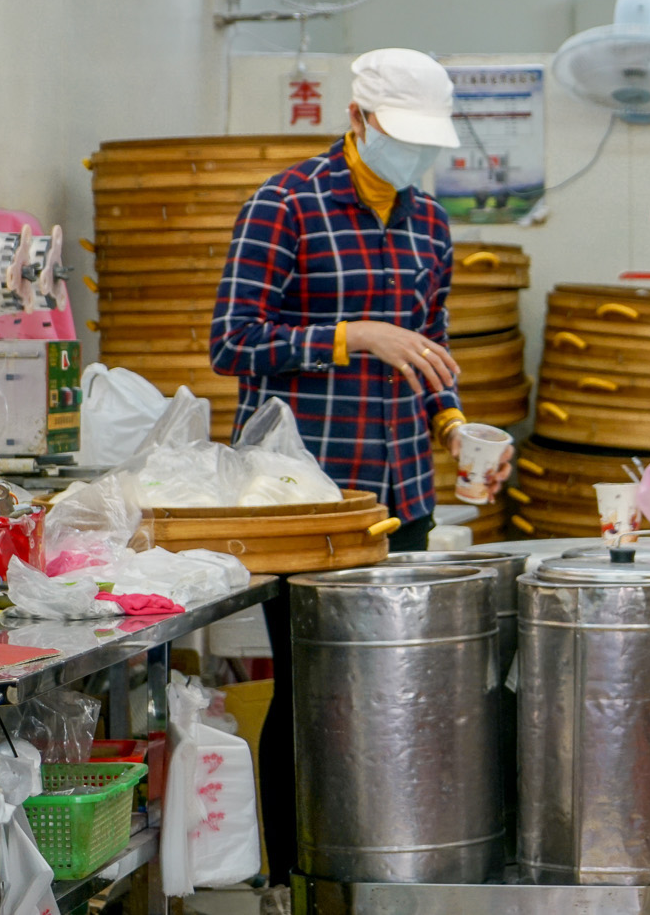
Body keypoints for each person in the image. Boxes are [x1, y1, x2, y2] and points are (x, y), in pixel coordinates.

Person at [210, 48, 506, 881]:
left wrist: (453, 427)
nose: (413, 157)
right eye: (400, 136)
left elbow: (429, 345)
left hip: (401, 497)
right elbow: (231, 343)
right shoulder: (285, 206)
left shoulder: (429, 224)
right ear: (357, 120)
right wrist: (352, 336)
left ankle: (379, 871)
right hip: (305, 500)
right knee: (314, 696)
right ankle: (295, 880)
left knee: (391, 695)